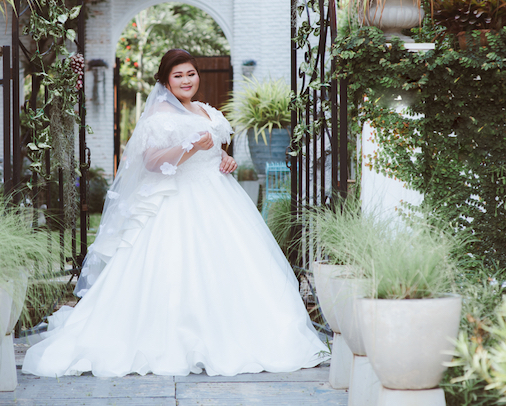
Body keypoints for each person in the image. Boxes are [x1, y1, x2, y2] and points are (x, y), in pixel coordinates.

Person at [22, 49, 328, 377]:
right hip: (175, 199)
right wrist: (189, 147)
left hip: (219, 198)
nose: (186, 80)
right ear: (166, 80)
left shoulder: (206, 111)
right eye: (178, 75)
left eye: (190, 74)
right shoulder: (159, 114)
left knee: (230, 264)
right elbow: (152, 162)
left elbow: (216, 151)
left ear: (198, 76)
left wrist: (226, 159)